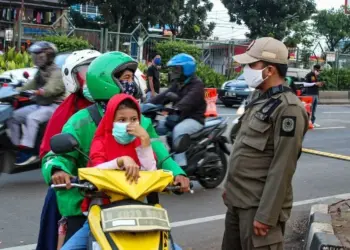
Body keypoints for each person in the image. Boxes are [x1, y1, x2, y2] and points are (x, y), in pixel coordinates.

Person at [41, 51, 190, 247]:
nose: (131, 84)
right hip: (93, 207)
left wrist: (178, 174)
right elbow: (59, 155)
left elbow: (159, 154)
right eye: (126, 78)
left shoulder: (142, 122)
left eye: (131, 78)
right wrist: (59, 170)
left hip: (136, 208)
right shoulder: (81, 121)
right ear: (107, 81)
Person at [222, 37, 309, 250]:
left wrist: (266, 215)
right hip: (238, 201)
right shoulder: (261, 99)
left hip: (258, 208)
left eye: (252, 64)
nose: (246, 69)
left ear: (269, 70)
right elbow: (244, 149)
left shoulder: (289, 109)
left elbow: (283, 167)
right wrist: (230, 187)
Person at [61, 94, 158, 250]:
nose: (129, 125)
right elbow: (95, 171)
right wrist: (120, 161)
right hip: (103, 215)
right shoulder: (100, 142)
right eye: (122, 120)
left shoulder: (141, 142)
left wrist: (145, 142)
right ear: (110, 121)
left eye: (134, 119)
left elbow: (151, 175)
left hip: (138, 214)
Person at [36, 49, 101, 250]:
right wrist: (59, 170)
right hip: (75, 190)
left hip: (113, 190)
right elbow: (52, 153)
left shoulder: (118, 109)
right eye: (85, 73)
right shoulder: (68, 113)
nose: (91, 78)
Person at [7, 41, 65, 165]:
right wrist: (15, 91)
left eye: (40, 56)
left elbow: (51, 89)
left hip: (55, 106)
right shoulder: (41, 71)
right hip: (42, 104)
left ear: (49, 57)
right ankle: (17, 147)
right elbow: (30, 84)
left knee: (32, 118)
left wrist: (38, 92)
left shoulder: (57, 72)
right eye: (35, 56)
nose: (36, 59)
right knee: (13, 117)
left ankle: (28, 152)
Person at [150, 53, 206, 167]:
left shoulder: (197, 85)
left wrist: (175, 108)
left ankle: (181, 166)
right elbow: (164, 95)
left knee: (178, 130)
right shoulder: (178, 83)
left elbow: (188, 101)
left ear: (186, 69)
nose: (173, 72)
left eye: (176, 69)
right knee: (154, 127)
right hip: (179, 117)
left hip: (194, 119)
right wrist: (147, 104)